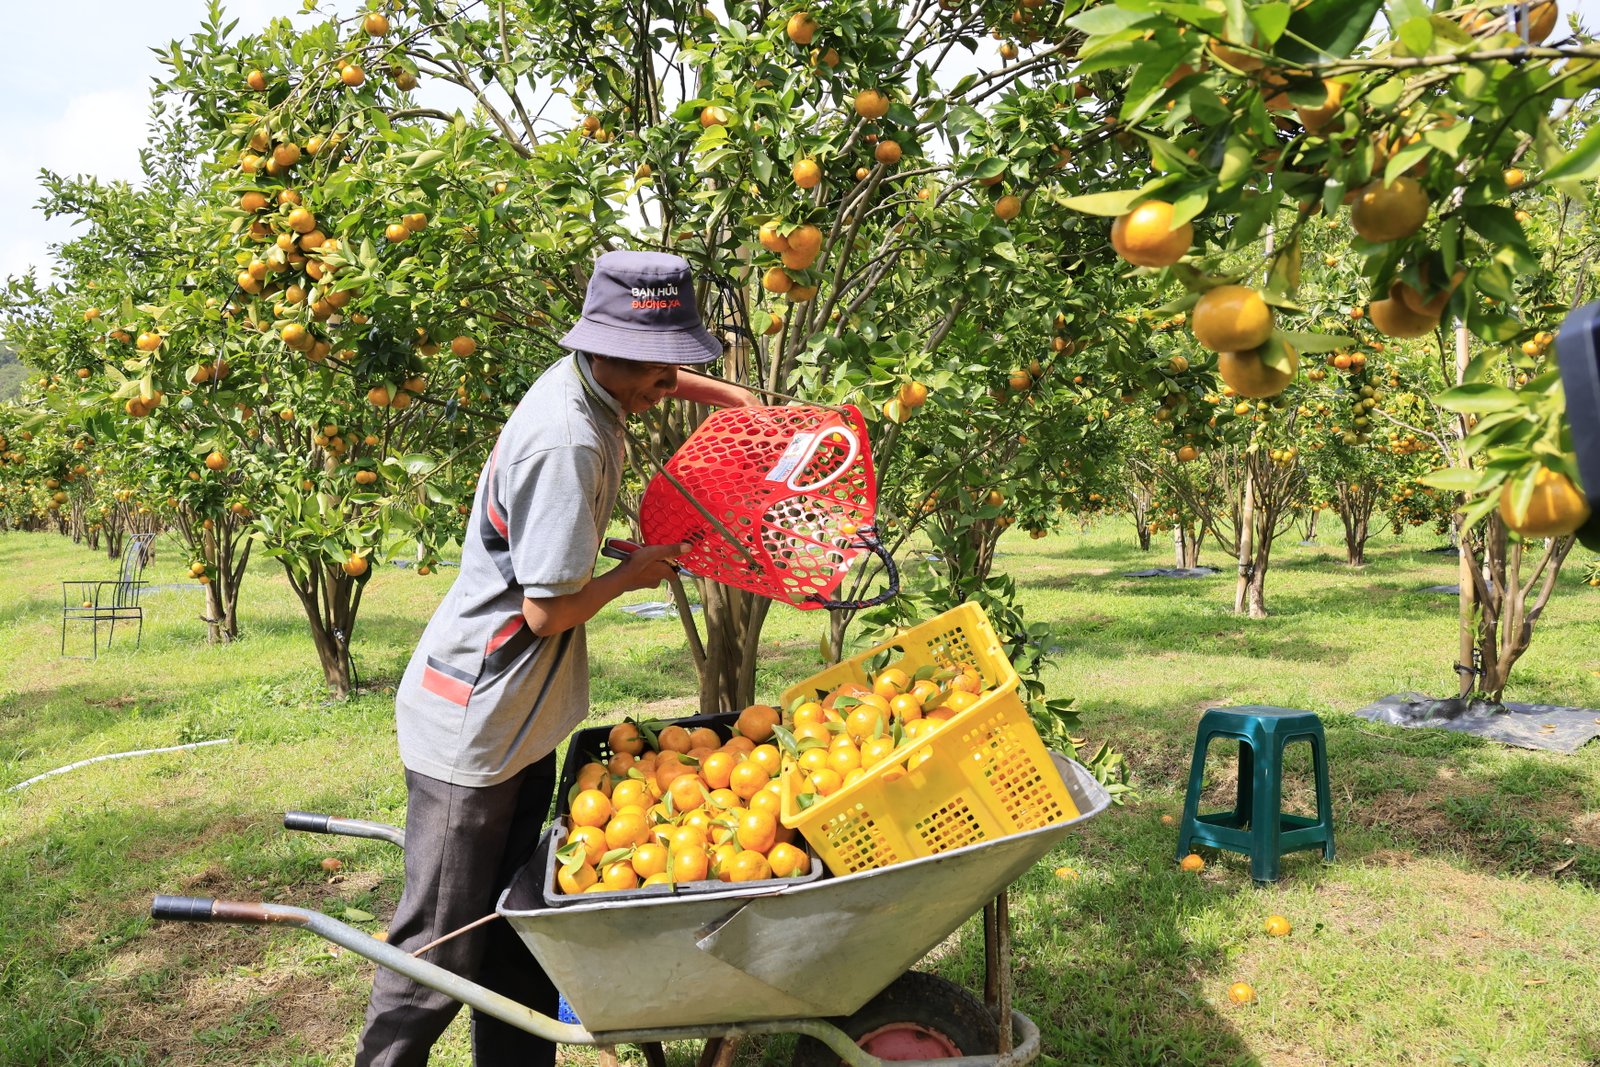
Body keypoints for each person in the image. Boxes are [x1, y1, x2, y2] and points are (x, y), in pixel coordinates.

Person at [356, 250, 755, 1066]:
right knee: (440, 945)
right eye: (660, 369)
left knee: (514, 925)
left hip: (522, 720)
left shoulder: (595, 382)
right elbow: (544, 611)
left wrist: (736, 398)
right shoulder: (567, 440)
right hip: (476, 723)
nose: (666, 385)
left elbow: (663, 382)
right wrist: (631, 573)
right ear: (612, 351)